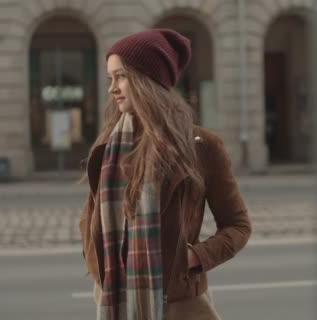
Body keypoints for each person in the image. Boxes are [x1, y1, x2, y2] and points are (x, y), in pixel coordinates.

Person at [79, 28, 251, 320]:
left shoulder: (201, 147)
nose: (112, 88)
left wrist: (194, 258)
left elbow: (238, 226)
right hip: (113, 299)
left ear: (147, 80)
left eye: (120, 76)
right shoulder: (108, 147)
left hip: (181, 303)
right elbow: (90, 215)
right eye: (111, 78)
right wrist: (97, 266)